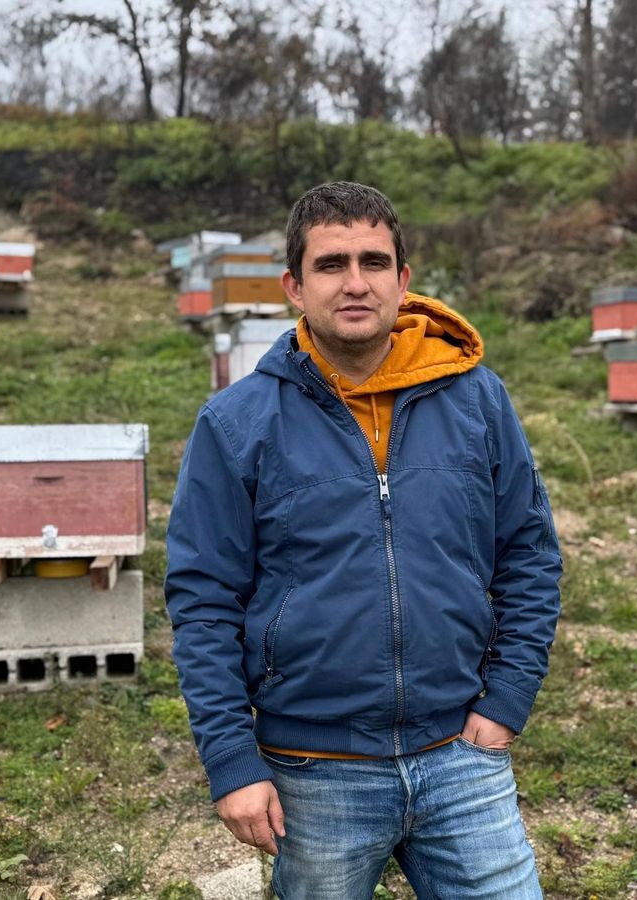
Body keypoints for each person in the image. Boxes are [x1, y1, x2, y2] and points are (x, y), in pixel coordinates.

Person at [165, 181, 562, 898]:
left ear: (403, 281)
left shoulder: (477, 399)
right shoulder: (237, 423)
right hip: (314, 772)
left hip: (460, 760)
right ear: (293, 285)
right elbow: (203, 601)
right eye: (331, 264)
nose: (356, 283)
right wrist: (232, 760)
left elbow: (529, 554)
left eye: (374, 262)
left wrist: (505, 700)